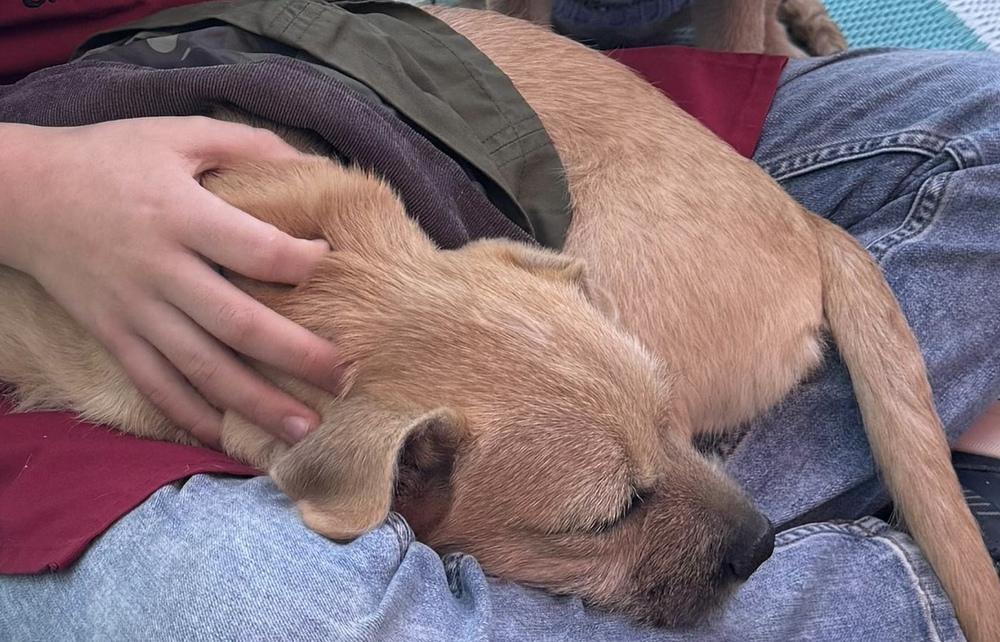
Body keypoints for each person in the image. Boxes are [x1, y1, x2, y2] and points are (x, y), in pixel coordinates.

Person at [1, 2, 998, 641]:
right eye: (611, 510)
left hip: (351, 59)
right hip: (53, 195)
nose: (739, 523)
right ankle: (926, 543)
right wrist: (32, 188)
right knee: (257, 608)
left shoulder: (508, 278)